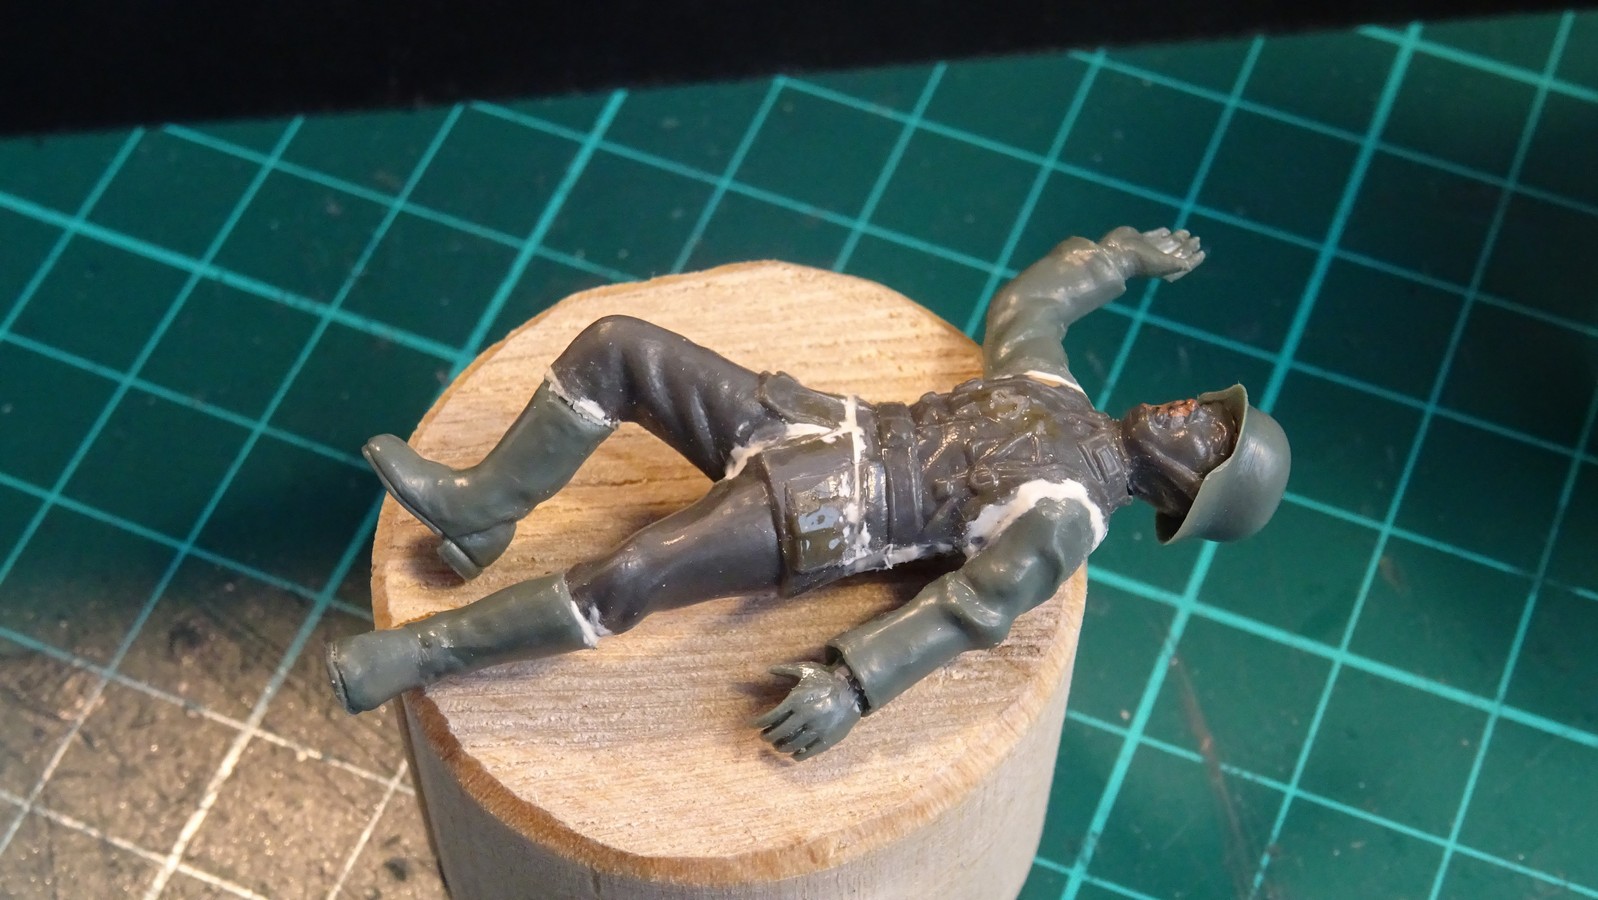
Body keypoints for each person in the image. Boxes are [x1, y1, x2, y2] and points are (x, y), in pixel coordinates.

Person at [325, 226, 1290, 760]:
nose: (1189, 411)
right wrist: (1118, 259)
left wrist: (854, 686)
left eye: (1206, 435)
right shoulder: (1055, 394)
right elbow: (1027, 307)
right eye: (1208, 407)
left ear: (1187, 492)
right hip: (808, 422)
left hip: (827, 512)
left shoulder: (1064, 522)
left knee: (634, 573)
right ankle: (485, 505)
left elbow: (966, 609)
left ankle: (418, 653)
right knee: (617, 348)